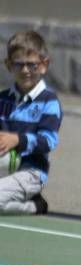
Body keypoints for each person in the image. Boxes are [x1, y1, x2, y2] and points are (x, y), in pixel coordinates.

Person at [0, 31, 61, 215]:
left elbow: (49, 141)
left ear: (44, 65)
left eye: (32, 65)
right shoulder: (3, 99)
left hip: (31, 172)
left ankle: (34, 206)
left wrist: (18, 140)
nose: (25, 70)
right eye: (19, 64)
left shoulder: (49, 102)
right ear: (9, 65)